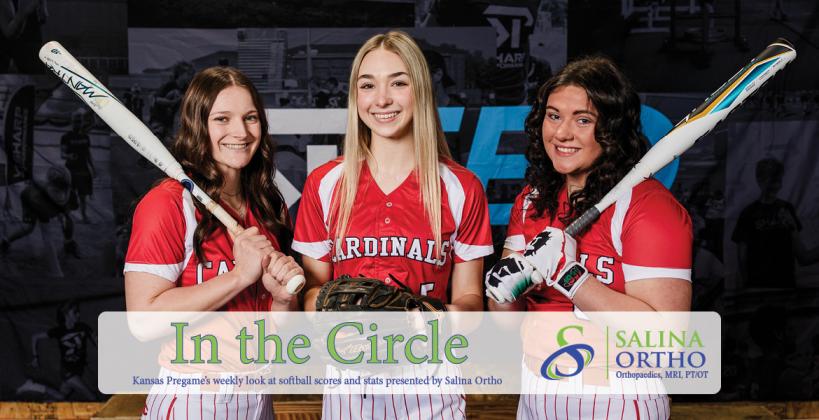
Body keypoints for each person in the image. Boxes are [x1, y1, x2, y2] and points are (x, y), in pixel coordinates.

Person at [293, 30, 493, 419]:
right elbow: (312, 293)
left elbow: (472, 306)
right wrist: (340, 318)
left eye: (398, 83)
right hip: (349, 386)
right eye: (367, 85)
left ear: (420, 89)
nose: (381, 99)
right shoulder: (325, 183)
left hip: (431, 385)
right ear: (356, 97)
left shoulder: (460, 187)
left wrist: (409, 318)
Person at [486, 56, 693, 419]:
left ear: (611, 129)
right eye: (554, 116)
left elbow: (664, 342)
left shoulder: (648, 209)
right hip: (535, 390)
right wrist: (503, 289)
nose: (562, 133)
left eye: (583, 120)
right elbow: (506, 322)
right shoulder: (531, 201)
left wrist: (570, 275)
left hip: (617, 395)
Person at [123, 66, 302, 420]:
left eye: (250, 117)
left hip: (259, 398)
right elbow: (142, 323)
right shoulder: (167, 204)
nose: (240, 131)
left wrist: (283, 302)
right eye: (222, 118)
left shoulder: (269, 204)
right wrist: (238, 276)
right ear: (197, 125)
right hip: (196, 400)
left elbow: (281, 337)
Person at [732, 157, 819, 288]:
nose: (775, 185)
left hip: (785, 285)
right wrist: (746, 286)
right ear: (759, 180)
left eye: (778, 180)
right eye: (771, 180)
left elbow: (802, 256)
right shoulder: (748, 214)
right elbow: (741, 256)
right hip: (758, 287)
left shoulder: (787, 209)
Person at [21, 300, 97, 401]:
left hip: (78, 370)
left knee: (60, 397)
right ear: (66, 314)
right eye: (75, 312)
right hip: (68, 372)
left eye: (78, 312)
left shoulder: (83, 327)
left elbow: (96, 340)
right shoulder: (59, 331)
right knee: (93, 398)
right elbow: (35, 337)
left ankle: (33, 390)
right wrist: (35, 357)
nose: (78, 314)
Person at [61, 108, 95, 223]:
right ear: (71, 122)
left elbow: (88, 153)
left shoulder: (85, 137)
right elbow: (62, 154)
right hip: (70, 169)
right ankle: (66, 216)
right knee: (69, 194)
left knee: (83, 195)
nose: (78, 123)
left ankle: (84, 216)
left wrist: (93, 168)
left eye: (79, 121)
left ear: (82, 122)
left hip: (83, 169)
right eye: (75, 121)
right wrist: (69, 156)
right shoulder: (66, 137)